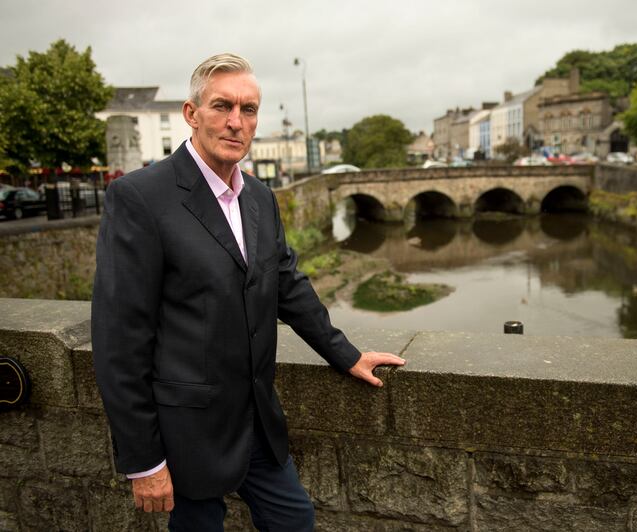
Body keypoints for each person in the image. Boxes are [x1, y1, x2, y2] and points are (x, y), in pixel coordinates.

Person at [91, 53, 405, 531]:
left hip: (257, 420)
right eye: (222, 106)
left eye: (250, 109)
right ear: (191, 114)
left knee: (295, 520)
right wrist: (144, 461)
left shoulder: (258, 197)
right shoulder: (140, 198)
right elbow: (119, 339)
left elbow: (287, 284)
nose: (237, 122)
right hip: (187, 431)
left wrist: (346, 354)